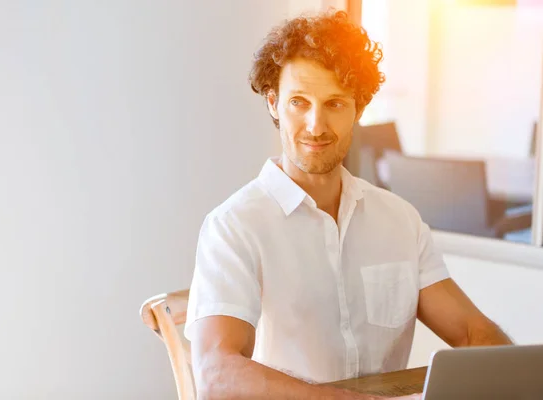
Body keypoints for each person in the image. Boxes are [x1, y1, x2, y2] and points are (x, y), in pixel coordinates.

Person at [184, 9, 512, 400]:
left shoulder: (399, 220)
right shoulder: (234, 226)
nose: (316, 125)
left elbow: (474, 334)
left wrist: (519, 377)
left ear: (359, 106)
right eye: (299, 102)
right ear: (273, 103)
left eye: (335, 103)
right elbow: (216, 373)